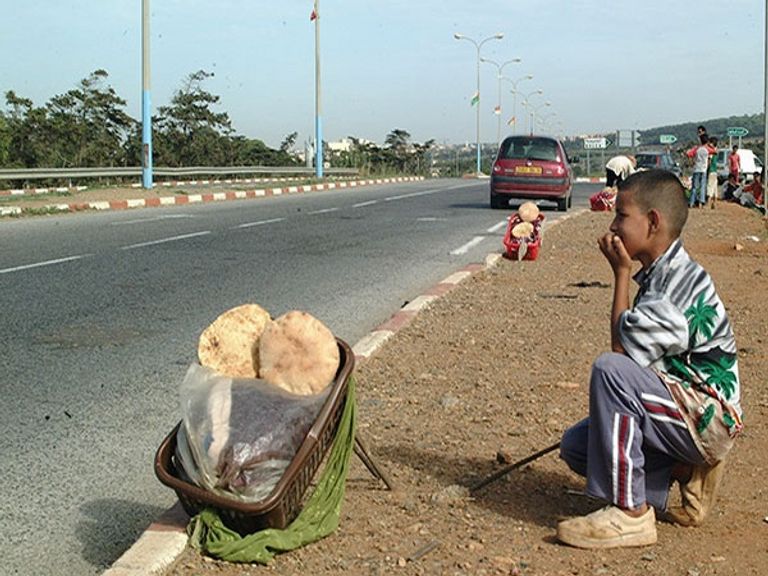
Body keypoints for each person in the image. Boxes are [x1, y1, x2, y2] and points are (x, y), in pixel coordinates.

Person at [557, 169, 743, 549]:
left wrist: (621, 274)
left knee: (609, 371)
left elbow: (621, 356)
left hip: (707, 417)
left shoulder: (673, 287)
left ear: (653, 222)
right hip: (682, 408)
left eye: (622, 216)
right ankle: (683, 469)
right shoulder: (663, 272)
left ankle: (631, 515)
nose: (613, 226)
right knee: (578, 445)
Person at [689, 139, 709, 207]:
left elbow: (689, 154)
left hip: (696, 169)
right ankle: (701, 201)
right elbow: (715, 151)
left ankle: (691, 202)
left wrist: (692, 162)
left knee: (694, 187)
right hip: (703, 170)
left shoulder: (697, 149)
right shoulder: (707, 150)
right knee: (702, 186)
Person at [706, 137, 719, 208]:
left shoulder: (711, 151)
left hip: (711, 170)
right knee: (714, 187)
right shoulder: (716, 150)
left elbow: (709, 162)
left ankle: (708, 203)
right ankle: (715, 203)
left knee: (710, 186)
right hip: (715, 171)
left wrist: (707, 169)